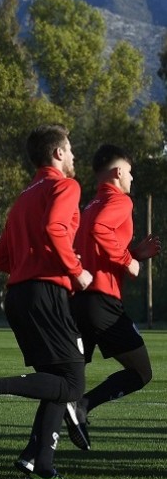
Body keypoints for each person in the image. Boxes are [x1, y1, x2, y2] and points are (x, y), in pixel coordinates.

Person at [0, 124, 92, 479]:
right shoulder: (65, 186)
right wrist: (75, 270)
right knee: (73, 382)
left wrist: (35, 262)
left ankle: (39, 464)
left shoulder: (24, 197)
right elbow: (54, 228)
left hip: (19, 295)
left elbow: (2, 257)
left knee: (56, 383)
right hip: (45, 294)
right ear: (58, 154)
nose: (75, 157)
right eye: (71, 150)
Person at [66, 144, 160, 449]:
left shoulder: (90, 205)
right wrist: (127, 259)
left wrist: (133, 253)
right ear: (119, 172)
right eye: (130, 172)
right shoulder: (120, 201)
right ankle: (83, 406)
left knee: (64, 381)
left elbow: (94, 244)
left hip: (80, 301)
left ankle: (35, 455)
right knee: (141, 371)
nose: (132, 178)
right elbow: (101, 231)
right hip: (103, 303)